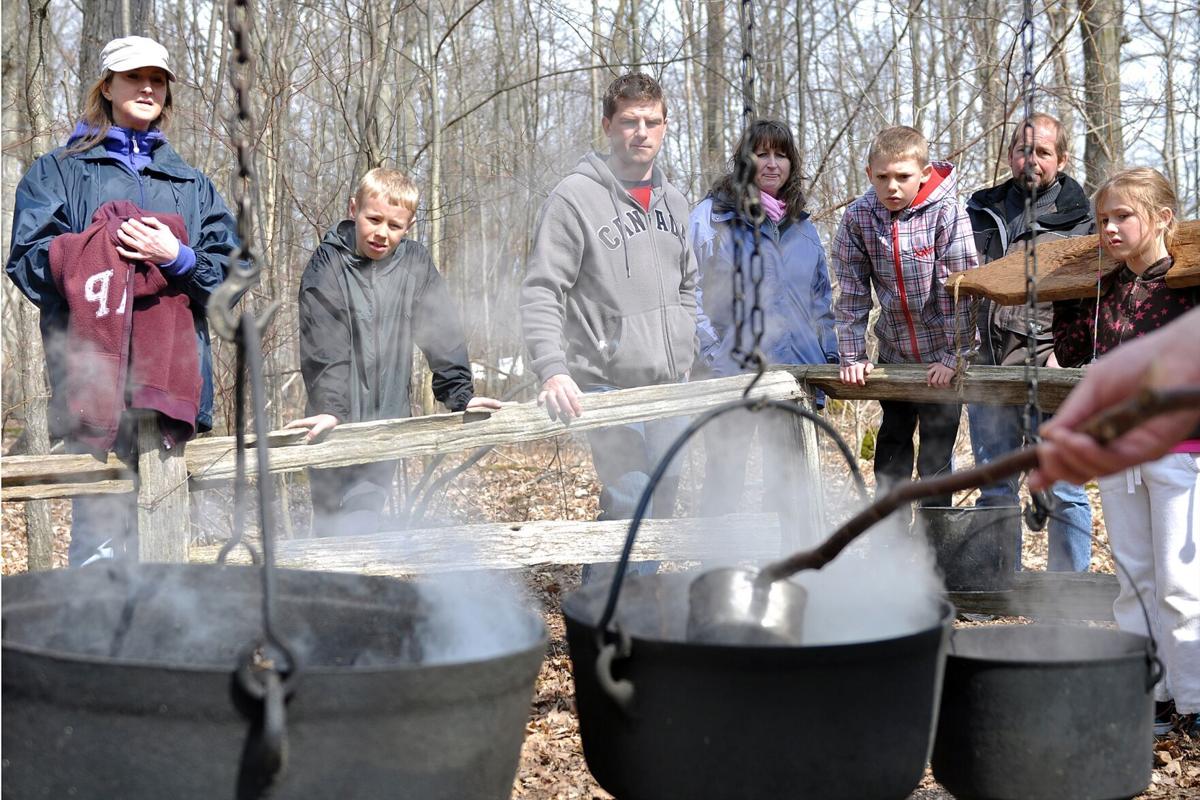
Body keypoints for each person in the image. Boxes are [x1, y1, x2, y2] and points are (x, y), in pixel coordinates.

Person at [6, 36, 238, 566]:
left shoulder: (192, 184)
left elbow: (232, 277)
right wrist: (104, 252)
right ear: (107, 86)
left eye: (158, 80)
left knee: (170, 551)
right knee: (100, 550)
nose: (148, 87)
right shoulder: (59, 171)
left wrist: (177, 256)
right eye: (135, 77)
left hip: (174, 391)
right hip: (96, 390)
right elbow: (27, 261)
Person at [520, 72, 697, 579]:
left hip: (670, 389)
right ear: (607, 125)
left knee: (660, 506)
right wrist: (552, 369)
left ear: (664, 127)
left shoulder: (676, 202)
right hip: (605, 384)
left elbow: (688, 285)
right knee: (629, 499)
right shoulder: (574, 198)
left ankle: (634, 625)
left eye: (652, 122)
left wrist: (684, 353)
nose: (641, 132)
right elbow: (541, 288)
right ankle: (601, 626)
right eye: (629, 122)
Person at [1048, 167, 1199, 735]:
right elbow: (1070, 351)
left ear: (1162, 218)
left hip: (1180, 451)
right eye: (1103, 218)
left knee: (1181, 583)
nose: (1109, 228)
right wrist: (1068, 296)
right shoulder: (1107, 287)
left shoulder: (1187, 285)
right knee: (1133, 577)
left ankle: (1194, 697)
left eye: (1123, 216)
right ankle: (1150, 694)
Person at [285, 168, 500, 536]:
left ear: (410, 225)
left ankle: (356, 592)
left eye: (395, 225)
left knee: (361, 525)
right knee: (326, 530)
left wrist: (459, 394)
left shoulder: (414, 264)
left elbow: (441, 329)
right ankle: (324, 593)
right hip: (330, 425)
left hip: (387, 427)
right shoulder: (328, 264)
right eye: (374, 219)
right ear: (354, 209)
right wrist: (330, 410)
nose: (382, 233)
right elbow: (324, 344)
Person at [689, 119, 837, 517]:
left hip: (796, 375)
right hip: (733, 374)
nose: (772, 164)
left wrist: (828, 360)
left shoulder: (802, 227)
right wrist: (713, 354)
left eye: (781, 155)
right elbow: (688, 292)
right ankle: (716, 574)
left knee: (793, 486)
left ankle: (793, 574)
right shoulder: (714, 217)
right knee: (725, 480)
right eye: (762, 154)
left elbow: (820, 300)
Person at [966, 113, 1094, 572]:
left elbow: (1096, 299)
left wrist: (1071, 356)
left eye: (1042, 151)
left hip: (1053, 363)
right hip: (989, 364)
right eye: (1023, 150)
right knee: (997, 485)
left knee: (1063, 487)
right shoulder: (981, 209)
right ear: (1009, 156)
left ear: (1061, 157)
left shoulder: (1086, 216)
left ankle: (1070, 596)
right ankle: (1000, 585)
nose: (1031, 160)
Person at [832, 125, 978, 505]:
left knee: (934, 459)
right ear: (869, 174)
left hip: (940, 359)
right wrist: (852, 355)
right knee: (892, 450)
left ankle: (934, 552)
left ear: (924, 174)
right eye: (882, 177)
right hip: (894, 353)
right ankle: (889, 547)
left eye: (903, 177)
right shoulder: (859, 218)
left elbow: (961, 291)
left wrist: (953, 356)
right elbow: (851, 291)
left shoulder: (948, 214)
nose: (892, 187)